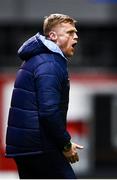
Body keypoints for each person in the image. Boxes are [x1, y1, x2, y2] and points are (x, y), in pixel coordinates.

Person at [5, 13, 83, 179]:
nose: (75, 36)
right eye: (69, 32)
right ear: (53, 36)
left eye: (75, 32)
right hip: (40, 146)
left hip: (27, 147)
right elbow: (48, 111)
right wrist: (65, 144)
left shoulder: (37, 59)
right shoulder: (50, 63)